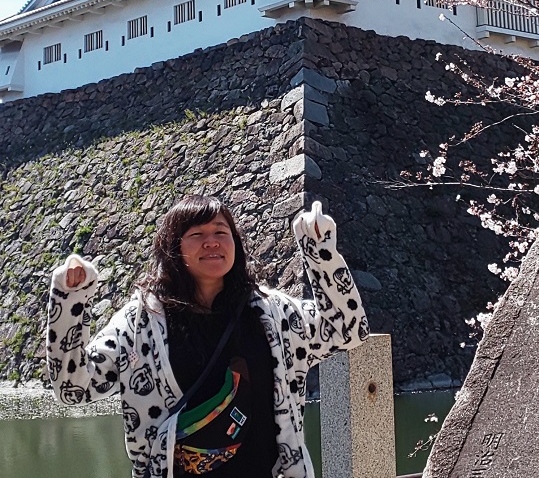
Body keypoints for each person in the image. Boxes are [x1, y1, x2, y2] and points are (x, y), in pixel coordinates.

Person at [45, 195, 369, 478]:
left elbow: (348, 329)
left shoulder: (273, 314)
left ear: (235, 245)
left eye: (220, 232)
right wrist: (70, 299)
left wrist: (320, 251)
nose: (211, 241)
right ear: (173, 249)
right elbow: (73, 387)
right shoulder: (141, 322)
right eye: (197, 234)